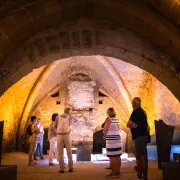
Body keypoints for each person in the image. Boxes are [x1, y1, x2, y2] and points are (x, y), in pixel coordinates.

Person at [126, 97, 149, 180]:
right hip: (143, 136)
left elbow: (128, 124)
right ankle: (140, 173)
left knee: (141, 157)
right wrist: (133, 124)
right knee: (139, 156)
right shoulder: (142, 111)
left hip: (139, 137)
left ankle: (145, 176)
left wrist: (132, 124)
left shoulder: (136, 112)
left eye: (132, 102)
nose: (132, 104)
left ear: (135, 103)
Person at [103, 107, 122, 177]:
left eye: (107, 112)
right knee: (117, 156)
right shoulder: (117, 119)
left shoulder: (109, 119)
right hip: (117, 140)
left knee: (112, 156)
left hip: (111, 141)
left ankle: (113, 172)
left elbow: (105, 129)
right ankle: (118, 171)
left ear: (109, 113)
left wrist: (104, 135)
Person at [55, 107, 74, 173]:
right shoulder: (70, 117)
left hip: (59, 135)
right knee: (69, 152)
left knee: (60, 152)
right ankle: (71, 168)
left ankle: (61, 168)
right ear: (69, 111)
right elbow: (70, 124)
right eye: (70, 111)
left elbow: (55, 126)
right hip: (67, 135)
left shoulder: (58, 117)